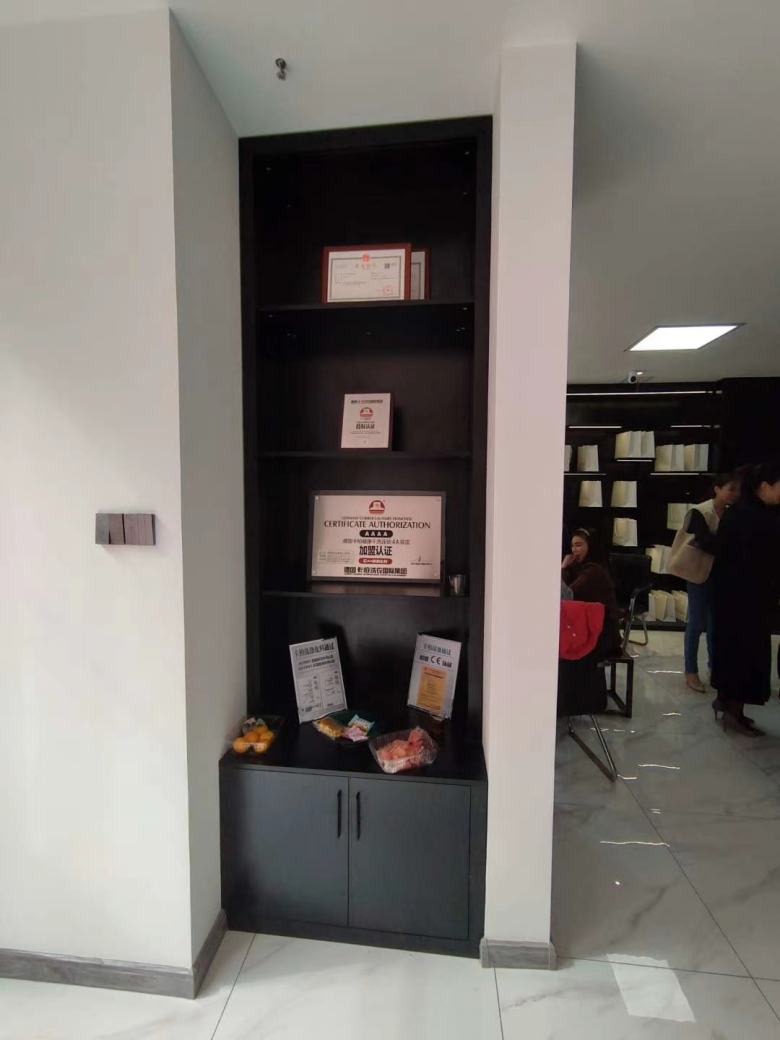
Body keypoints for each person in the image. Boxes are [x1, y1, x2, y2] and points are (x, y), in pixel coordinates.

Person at [711, 461, 780, 735]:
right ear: (764, 486)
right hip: (747, 600)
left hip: (735, 598)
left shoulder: (740, 513)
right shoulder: (754, 517)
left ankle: (727, 702)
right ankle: (734, 710)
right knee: (743, 655)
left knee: (733, 652)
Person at [681, 473, 741, 692]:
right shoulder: (701, 511)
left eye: (737, 490)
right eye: (730, 489)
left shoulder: (733, 513)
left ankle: (715, 668)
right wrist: (726, 546)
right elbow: (705, 541)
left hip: (721, 575)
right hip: (699, 573)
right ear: (717, 488)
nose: (734, 494)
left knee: (716, 624)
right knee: (696, 623)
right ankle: (691, 671)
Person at [561, 527, 621, 653]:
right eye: (572, 546)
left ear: (591, 547)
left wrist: (562, 568)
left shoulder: (594, 571)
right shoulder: (578, 567)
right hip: (588, 627)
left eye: (578, 545)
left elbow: (566, 595)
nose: (574, 550)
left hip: (602, 634)